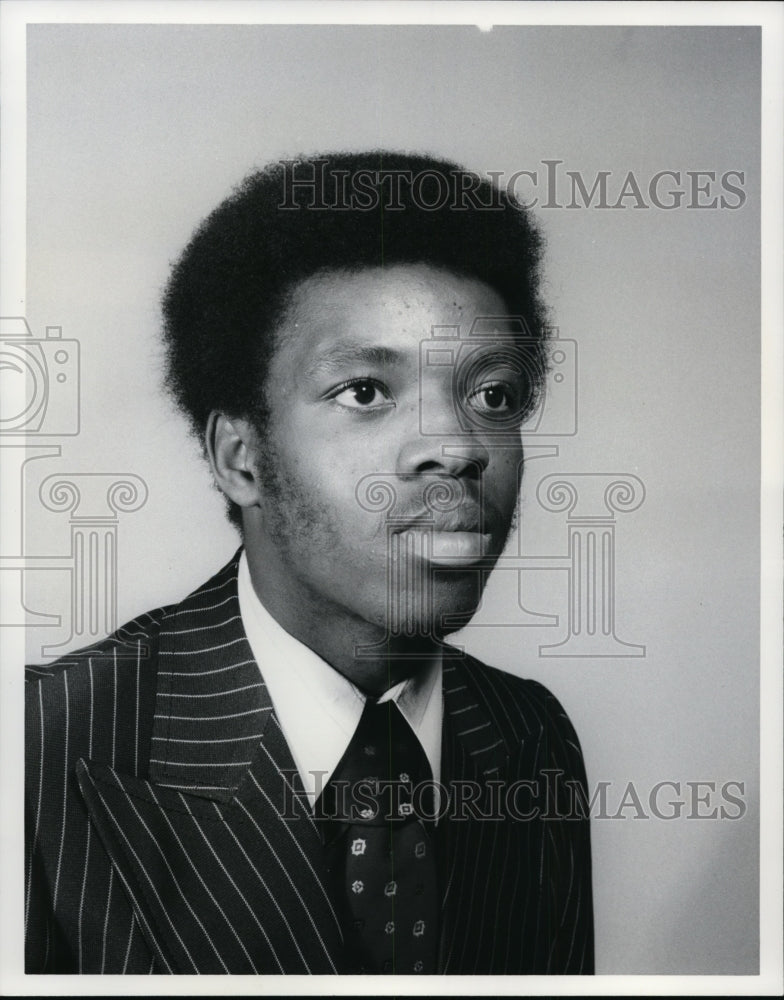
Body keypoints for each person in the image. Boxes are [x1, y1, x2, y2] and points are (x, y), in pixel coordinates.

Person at [24, 151, 594, 975]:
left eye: (492, 395)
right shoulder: (43, 747)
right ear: (240, 457)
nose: (458, 447)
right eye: (365, 391)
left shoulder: (529, 737)